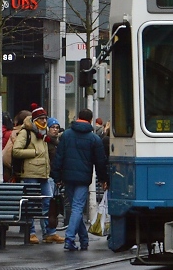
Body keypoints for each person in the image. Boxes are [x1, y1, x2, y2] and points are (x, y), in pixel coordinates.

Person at [51, 108, 108, 251]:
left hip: (67, 177)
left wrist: (57, 176)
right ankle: (69, 238)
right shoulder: (94, 138)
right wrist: (103, 179)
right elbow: (100, 162)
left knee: (74, 207)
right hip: (83, 178)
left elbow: (58, 157)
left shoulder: (66, 135)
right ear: (90, 120)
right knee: (77, 207)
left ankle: (83, 239)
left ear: (77, 118)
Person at [12, 106, 64, 244]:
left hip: (44, 174)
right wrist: (33, 153)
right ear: (35, 120)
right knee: (31, 204)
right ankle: (31, 232)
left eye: (45, 118)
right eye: (41, 118)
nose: (44, 120)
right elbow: (16, 151)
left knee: (48, 201)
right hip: (30, 173)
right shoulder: (26, 132)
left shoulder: (45, 132)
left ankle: (49, 232)